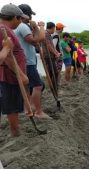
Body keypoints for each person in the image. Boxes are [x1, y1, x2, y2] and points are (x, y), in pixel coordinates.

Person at [15, 4, 50, 119]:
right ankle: (38, 112)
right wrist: (41, 27)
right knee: (38, 86)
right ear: (26, 15)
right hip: (27, 62)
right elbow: (37, 40)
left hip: (24, 61)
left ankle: (28, 109)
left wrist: (34, 28)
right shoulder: (23, 26)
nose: (31, 17)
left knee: (27, 86)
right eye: (30, 15)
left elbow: (34, 41)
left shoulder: (20, 26)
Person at [0, 3, 29, 136]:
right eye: (20, 19)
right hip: (10, 74)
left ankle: (16, 131)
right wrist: (21, 75)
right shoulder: (2, 31)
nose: (21, 22)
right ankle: (15, 133)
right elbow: (7, 57)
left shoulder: (6, 29)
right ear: (15, 17)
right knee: (12, 105)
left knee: (14, 104)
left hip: (12, 73)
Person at [40, 22, 60, 92]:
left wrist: (56, 52)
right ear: (52, 28)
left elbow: (52, 46)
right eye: (54, 28)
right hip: (48, 56)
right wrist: (56, 53)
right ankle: (53, 88)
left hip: (50, 56)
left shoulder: (49, 34)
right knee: (54, 73)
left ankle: (54, 87)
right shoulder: (46, 34)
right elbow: (49, 46)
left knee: (53, 73)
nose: (54, 30)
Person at [52, 22, 64, 87]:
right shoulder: (56, 35)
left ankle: (56, 83)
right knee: (58, 70)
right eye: (62, 28)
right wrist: (57, 53)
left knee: (57, 70)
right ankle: (56, 83)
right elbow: (53, 45)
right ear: (60, 28)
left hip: (57, 55)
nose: (63, 30)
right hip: (58, 56)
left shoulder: (55, 34)